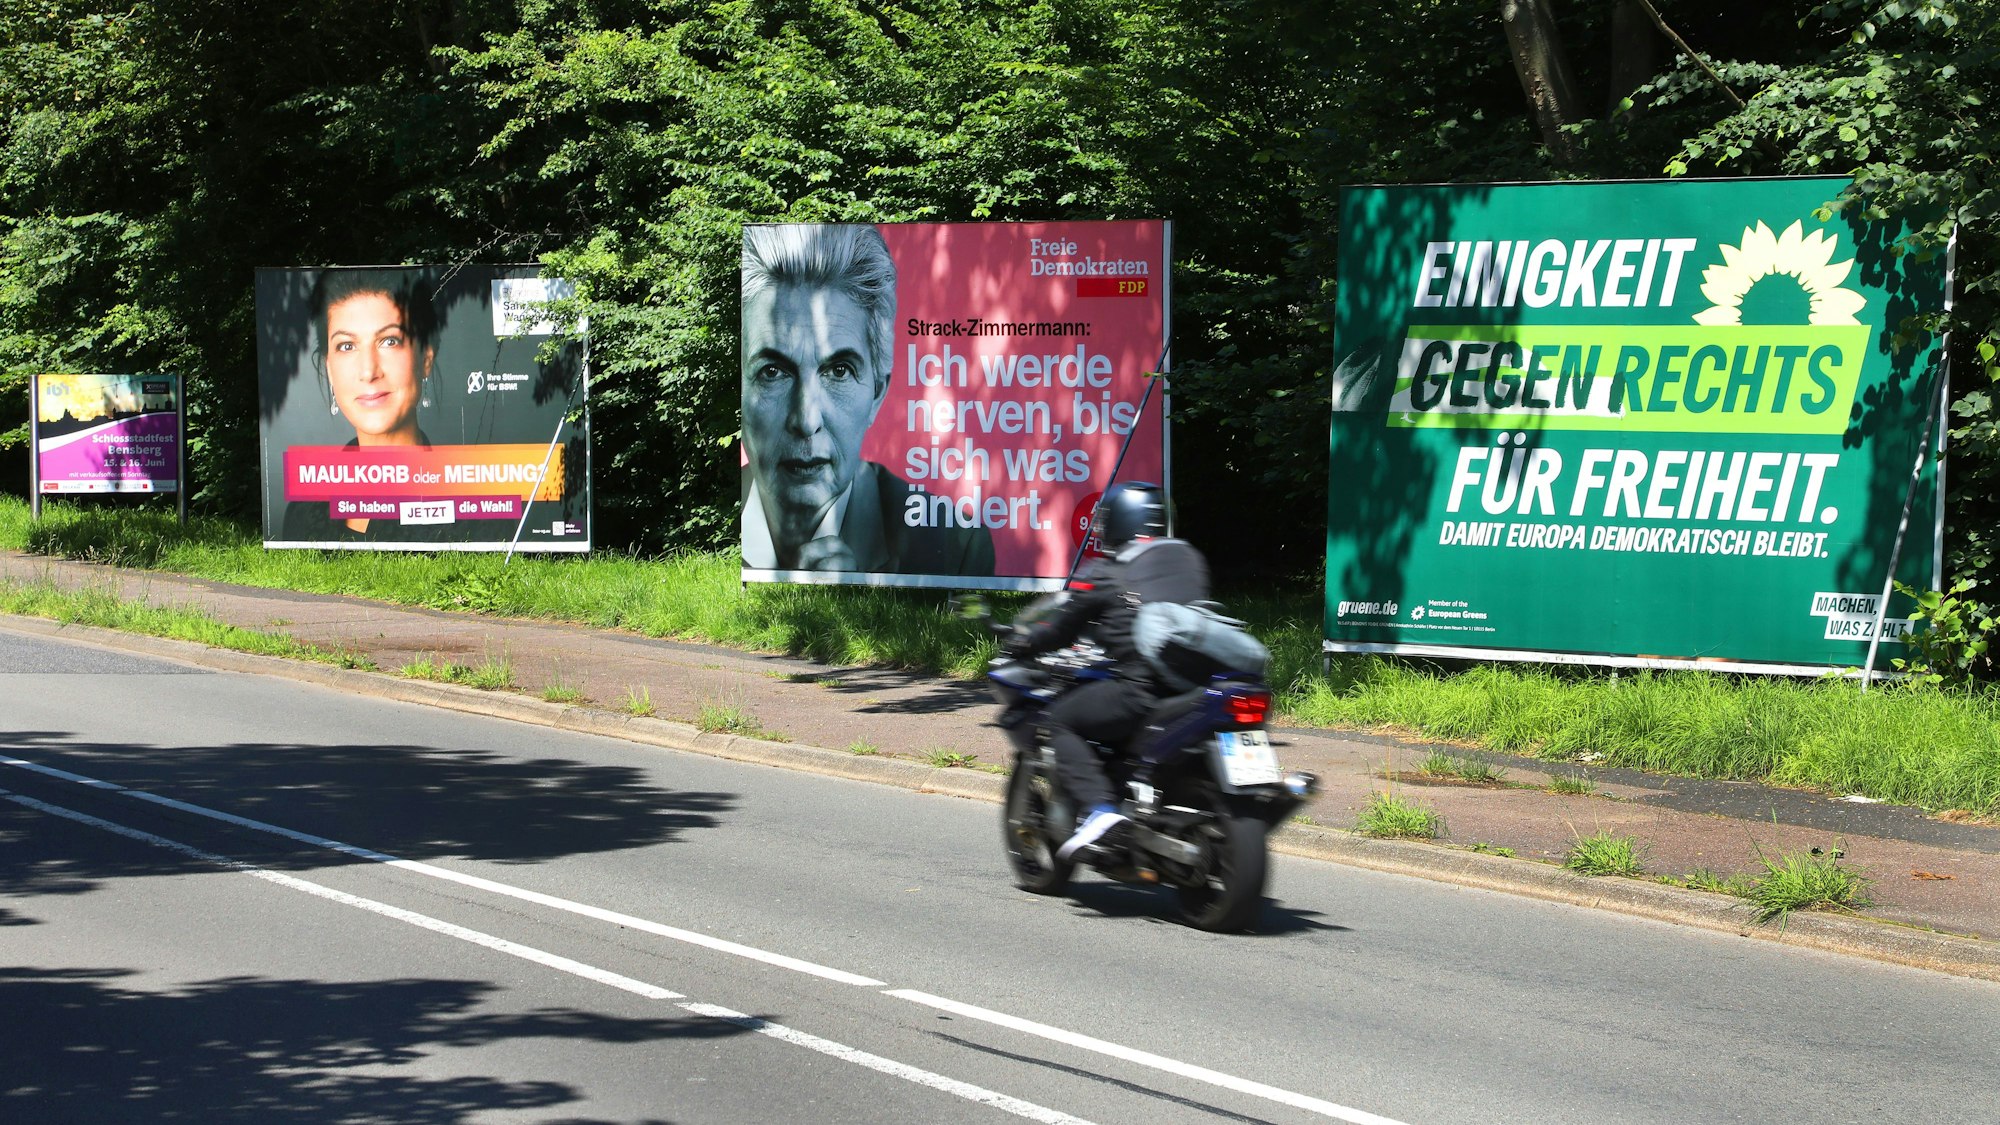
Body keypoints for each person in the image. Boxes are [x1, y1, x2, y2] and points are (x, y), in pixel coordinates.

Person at [739, 223, 994, 576]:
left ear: (877, 392)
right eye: (772, 372)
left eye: (839, 371)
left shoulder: (957, 545)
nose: (806, 419)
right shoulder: (720, 522)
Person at [1003, 481, 1210, 861]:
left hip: (1142, 690)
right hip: (1194, 690)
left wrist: (1022, 642)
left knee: (1058, 721)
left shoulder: (1108, 571)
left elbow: (1063, 626)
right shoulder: (1190, 561)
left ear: (1118, 524)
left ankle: (1102, 812)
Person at [280, 270, 454, 543]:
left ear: (426, 359)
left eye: (390, 341)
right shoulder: (303, 512)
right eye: (347, 346)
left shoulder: (473, 507)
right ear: (329, 368)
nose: (368, 371)